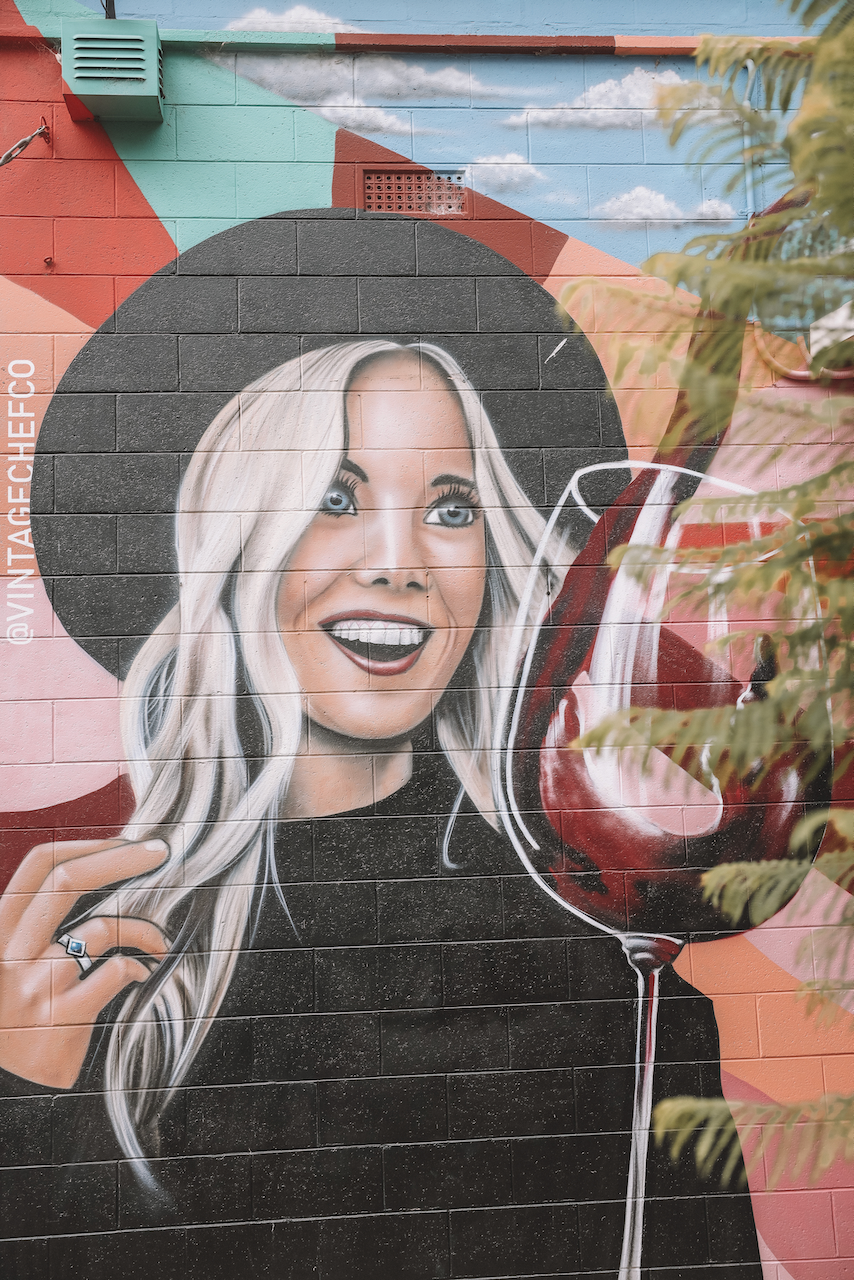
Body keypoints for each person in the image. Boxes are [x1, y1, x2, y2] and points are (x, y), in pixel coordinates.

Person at [0, 339, 761, 1278]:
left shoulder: (616, 980)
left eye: (451, 509)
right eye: (334, 497)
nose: (400, 565)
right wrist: (25, 1096)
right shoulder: (89, 966)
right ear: (234, 542)